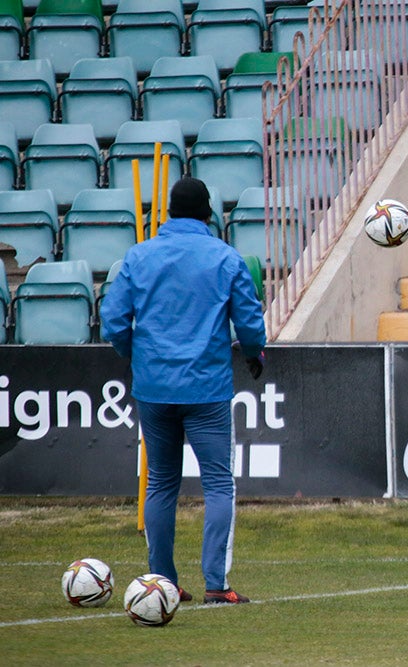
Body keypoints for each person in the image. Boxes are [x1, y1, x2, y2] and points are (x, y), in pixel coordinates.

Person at [101, 177, 267, 604]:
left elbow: (114, 323)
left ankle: (162, 583)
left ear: (169, 213)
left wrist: (136, 357)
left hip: (154, 387)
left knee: (160, 484)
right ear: (208, 214)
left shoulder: (138, 256)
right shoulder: (226, 258)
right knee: (217, 484)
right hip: (206, 388)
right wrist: (253, 354)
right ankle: (216, 583)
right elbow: (249, 324)